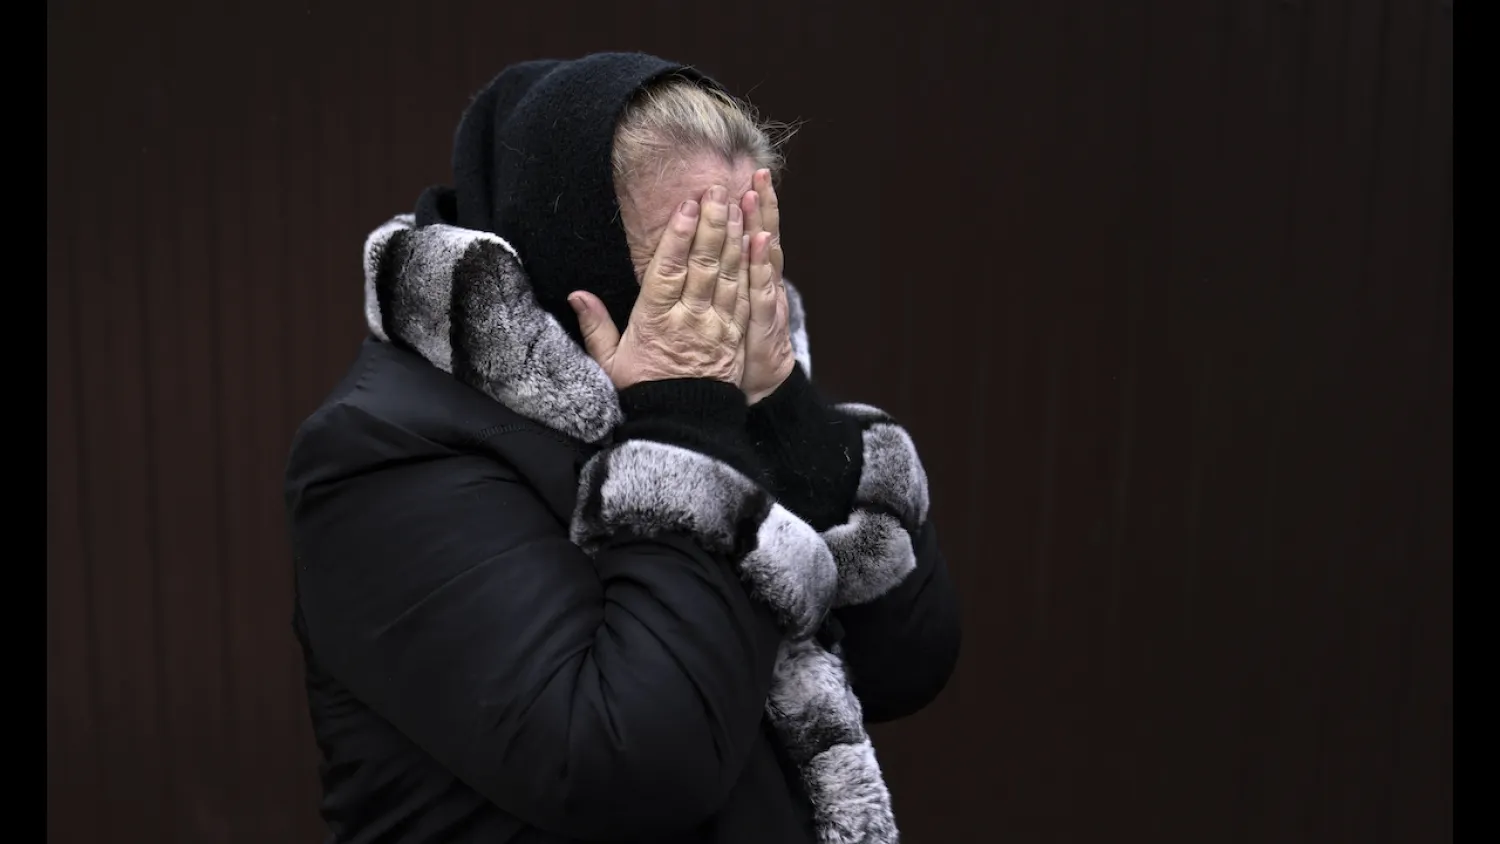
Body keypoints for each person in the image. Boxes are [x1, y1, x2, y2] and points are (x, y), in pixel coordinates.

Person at [284, 52, 960, 844]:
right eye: (686, 257)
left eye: (736, 250)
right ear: (572, 260)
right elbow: (634, 764)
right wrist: (683, 425)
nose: (718, 297)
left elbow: (906, 663)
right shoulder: (383, 456)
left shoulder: (717, 370)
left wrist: (783, 410)